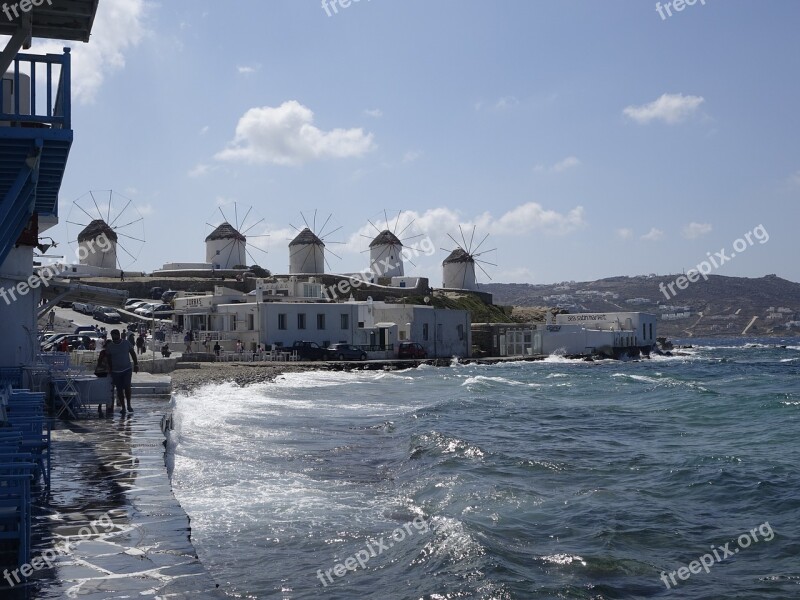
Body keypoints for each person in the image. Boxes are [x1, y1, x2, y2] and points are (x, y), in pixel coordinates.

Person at [105, 329, 139, 414]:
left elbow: (133, 353)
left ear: (119, 335)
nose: (114, 338)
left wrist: (136, 365)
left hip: (127, 369)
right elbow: (108, 358)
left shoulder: (126, 343)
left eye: (115, 336)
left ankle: (129, 405)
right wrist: (110, 369)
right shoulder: (110, 346)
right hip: (115, 371)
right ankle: (123, 407)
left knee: (127, 386)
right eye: (112, 336)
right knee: (119, 389)